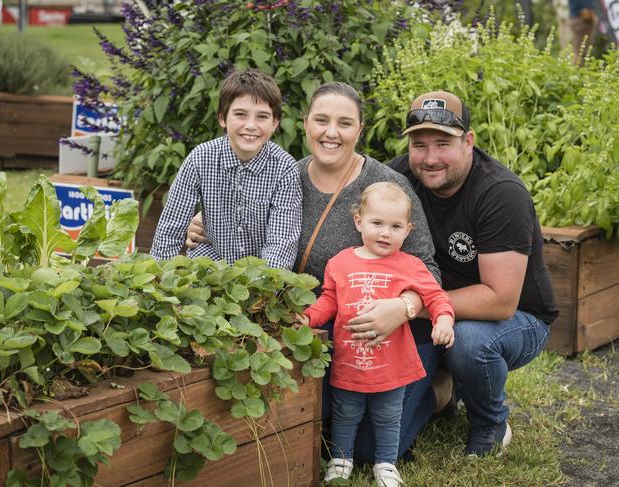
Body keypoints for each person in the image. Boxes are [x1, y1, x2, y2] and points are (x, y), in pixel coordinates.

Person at [185, 82, 444, 465]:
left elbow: (429, 270)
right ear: (305, 124)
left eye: (344, 123)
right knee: (306, 425)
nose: (331, 132)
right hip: (310, 328)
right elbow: (245, 231)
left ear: (360, 129)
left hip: (384, 338)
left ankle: (439, 391)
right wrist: (203, 223)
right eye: (321, 120)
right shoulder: (283, 175)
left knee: (368, 450)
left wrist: (402, 307)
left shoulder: (386, 188)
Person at [367, 90, 558, 457]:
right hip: (432, 314)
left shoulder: (500, 194)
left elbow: (500, 300)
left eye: (443, 143)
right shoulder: (399, 179)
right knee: (374, 435)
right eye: (419, 145)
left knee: (469, 343)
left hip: (513, 318)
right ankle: (443, 389)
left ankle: (490, 421)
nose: (430, 157)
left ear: (468, 142)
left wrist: (408, 307)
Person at [297, 182, 455, 485]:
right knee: (345, 413)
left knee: (387, 416)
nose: (385, 233)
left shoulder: (410, 265)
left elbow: (437, 297)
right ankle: (341, 459)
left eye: (396, 226)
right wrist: (307, 317)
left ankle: (386, 463)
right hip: (349, 361)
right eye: (377, 223)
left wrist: (444, 320)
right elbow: (329, 300)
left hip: (391, 365)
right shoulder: (340, 263)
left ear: (408, 230)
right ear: (359, 222)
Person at [150, 68, 302, 269]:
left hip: (259, 270)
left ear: (275, 123)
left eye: (262, 117)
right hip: (211, 262)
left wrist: (262, 291)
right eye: (240, 114)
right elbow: (171, 226)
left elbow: (280, 245)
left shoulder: (285, 169)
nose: (250, 125)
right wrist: (157, 278)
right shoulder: (201, 158)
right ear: (222, 118)